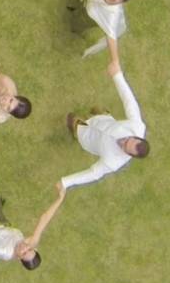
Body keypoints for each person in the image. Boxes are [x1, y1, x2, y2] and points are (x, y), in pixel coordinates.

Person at [60, 51, 149, 191]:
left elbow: (93, 174)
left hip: (87, 137)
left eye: (125, 145)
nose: (123, 141)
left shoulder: (112, 162)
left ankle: (74, 128)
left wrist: (66, 182)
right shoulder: (137, 126)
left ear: (128, 155)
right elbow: (129, 101)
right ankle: (94, 114)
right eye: (128, 139)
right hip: (104, 119)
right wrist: (117, 75)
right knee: (97, 110)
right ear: (135, 136)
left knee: (72, 119)